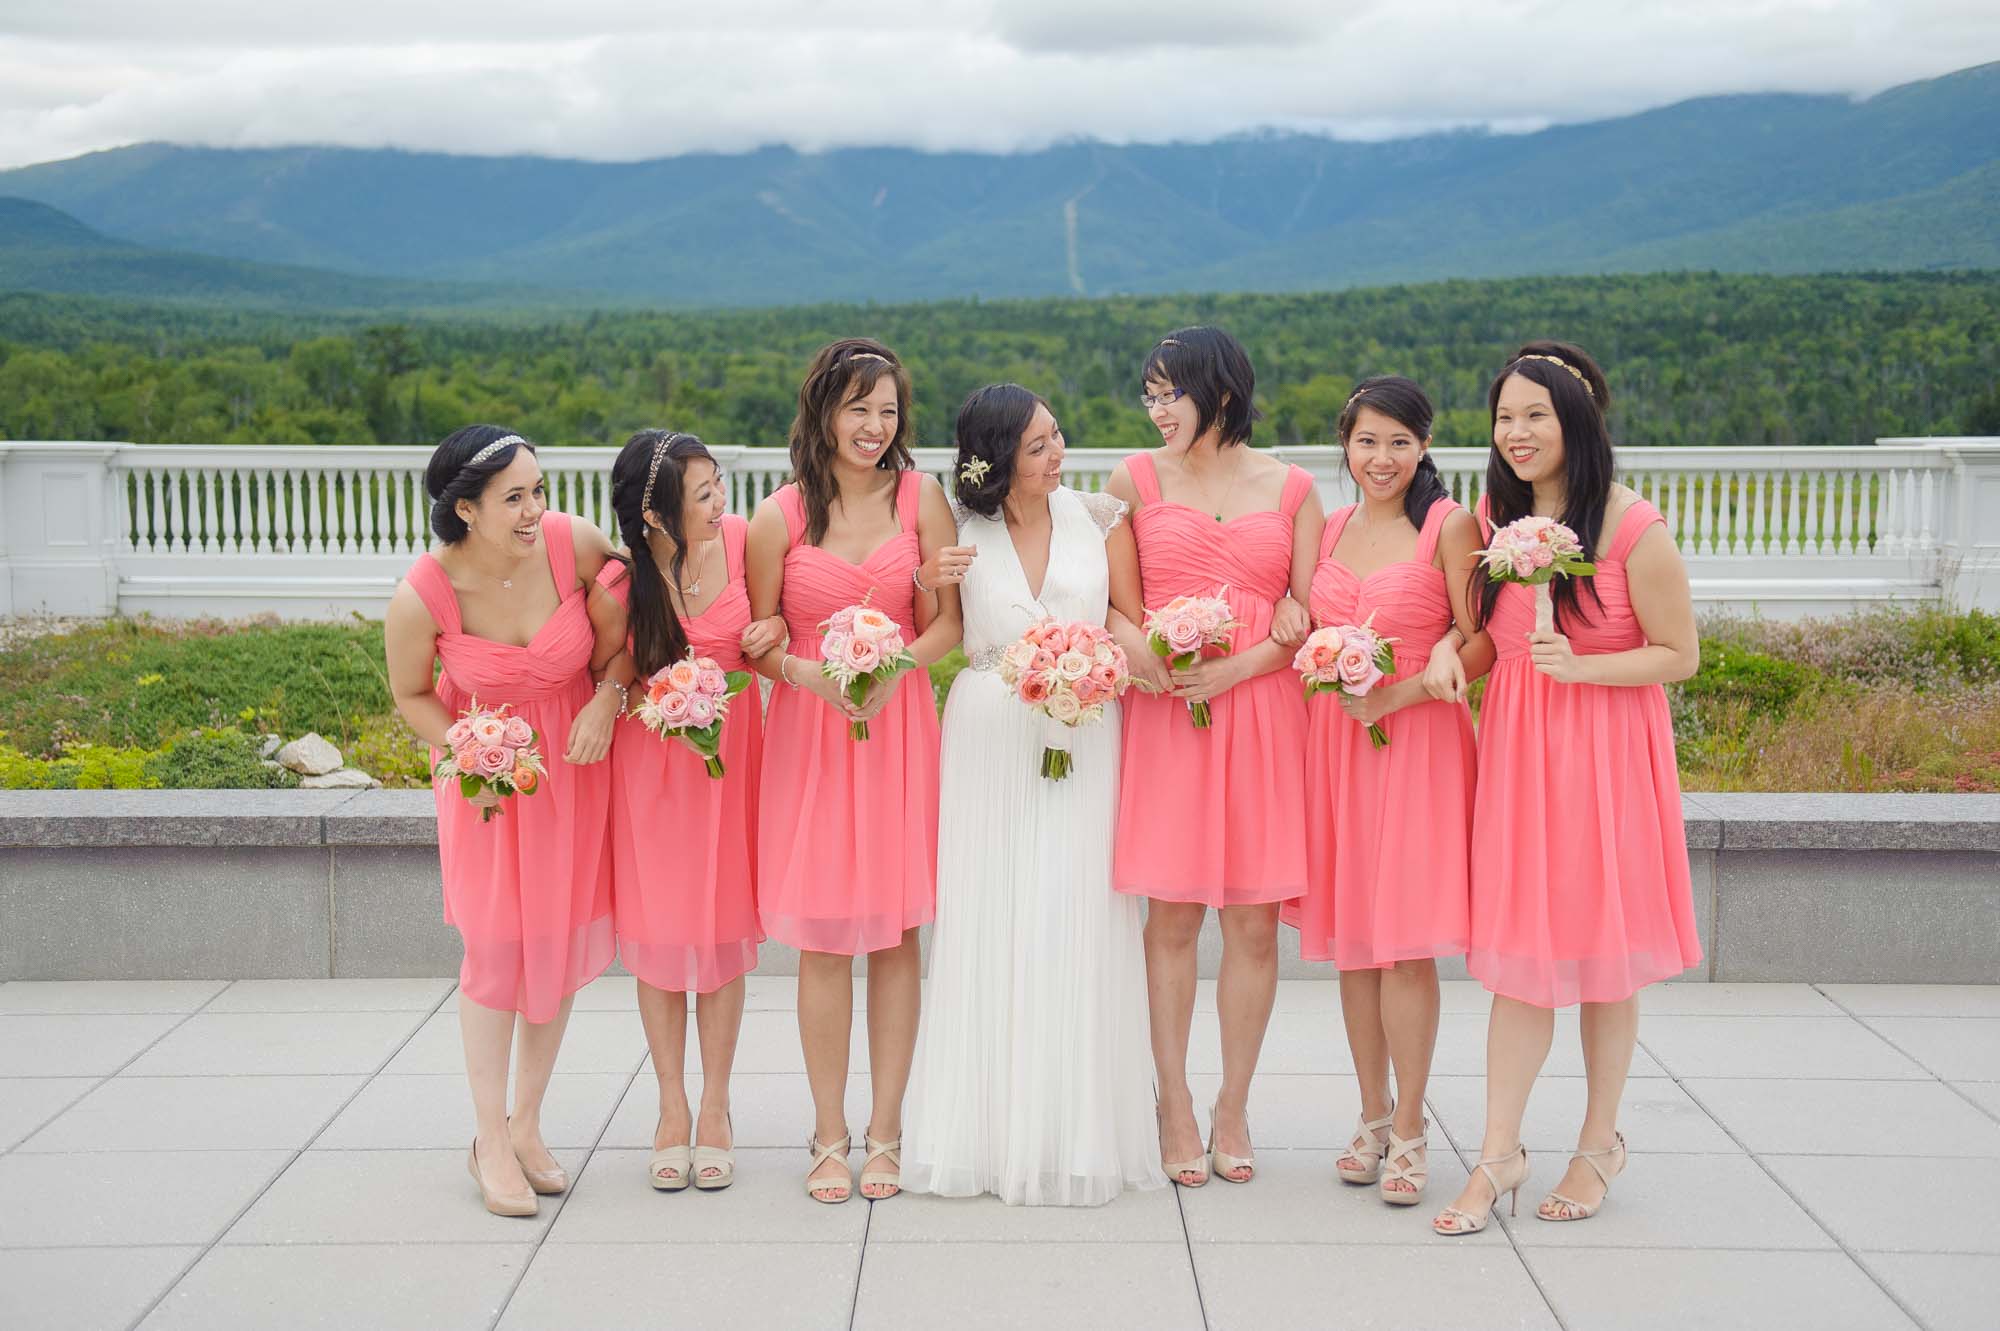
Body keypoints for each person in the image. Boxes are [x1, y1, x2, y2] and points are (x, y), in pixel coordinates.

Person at [1427, 342, 1703, 1236]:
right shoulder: (1491, 521)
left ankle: (1597, 1145)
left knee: (1601, 958)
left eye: (1535, 415)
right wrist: (1441, 654)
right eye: (1504, 417)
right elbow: (1474, 636)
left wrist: (1581, 669)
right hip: (1516, 758)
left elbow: (1680, 655)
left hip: (1606, 760)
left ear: (1576, 419)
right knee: (1519, 960)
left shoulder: (1631, 528)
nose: (1516, 433)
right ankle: (1498, 1152)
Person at [903, 385, 1165, 1206]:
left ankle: (1075, 1132)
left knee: (1075, 911)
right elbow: (936, 620)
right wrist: (916, 583)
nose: (1059, 454)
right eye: (1041, 445)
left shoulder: (1100, 517)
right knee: (991, 914)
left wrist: (1154, 659)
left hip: (1086, 725)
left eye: (1058, 437)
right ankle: (980, 1133)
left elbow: (1124, 615)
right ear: (1000, 456)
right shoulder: (959, 528)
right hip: (989, 730)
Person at [745, 338, 966, 1203]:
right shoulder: (780, 515)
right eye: (857, 408)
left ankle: (887, 1130)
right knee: (826, 936)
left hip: (899, 726)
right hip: (810, 732)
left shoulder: (924, 499)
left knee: (898, 932)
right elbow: (757, 640)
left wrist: (892, 668)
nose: (875, 426)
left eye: (887, 409)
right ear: (821, 411)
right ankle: (828, 1132)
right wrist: (813, 676)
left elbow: (945, 626)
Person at [384, 424, 624, 1217]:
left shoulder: (572, 545)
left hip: (570, 769)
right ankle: (489, 1138)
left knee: (550, 945)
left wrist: (605, 692)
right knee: (494, 953)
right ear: (465, 509)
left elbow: (630, 612)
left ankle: (527, 1123)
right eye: (514, 498)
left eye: (539, 490)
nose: (535, 510)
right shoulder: (424, 592)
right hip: (488, 784)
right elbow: (412, 694)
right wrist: (465, 741)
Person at [1103, 327, 1321, 1187]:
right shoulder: (1134, 480)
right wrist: (1143, 650)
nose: (1156, 410)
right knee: (1172, 918)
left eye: (1169, 393)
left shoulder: (1293, 487)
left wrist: (1239, 664)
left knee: (1255, 923)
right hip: (1167, 718)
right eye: (1148, 395)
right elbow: (1116, 609)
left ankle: (1233, 1101)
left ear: (1219, 391)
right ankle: (1175, 1100)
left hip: (1263, 715)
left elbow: (1302, 615)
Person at [1281, 376, 1480, 1207]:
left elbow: (1482, 644)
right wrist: (1297, 622)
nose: (1383, 457)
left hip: (1419, 744)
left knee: (1404, 942)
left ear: (1425, 444)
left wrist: (1403, 689)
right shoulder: (1327, 529)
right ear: (1347, 445)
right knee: (1355, 943)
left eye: (1401, 441)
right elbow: (1300, 615)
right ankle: (1368, 1112)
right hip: (1337, 748)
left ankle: (1410, 1126)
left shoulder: (1449, 524)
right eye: (1368, 441)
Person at [596, 430, 786, 1191]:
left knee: (723, 927)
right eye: (700, 494)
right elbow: (611, 662)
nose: (718, 504)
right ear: (657, 515)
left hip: (733, 762)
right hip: (653, 769)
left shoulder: (743, 543)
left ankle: (716, 1102)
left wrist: (771, 632)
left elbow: (777, 624)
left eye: (716, 487)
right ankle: (670, 1103)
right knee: (660, 929)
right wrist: (625, 690)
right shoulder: (621, 582)